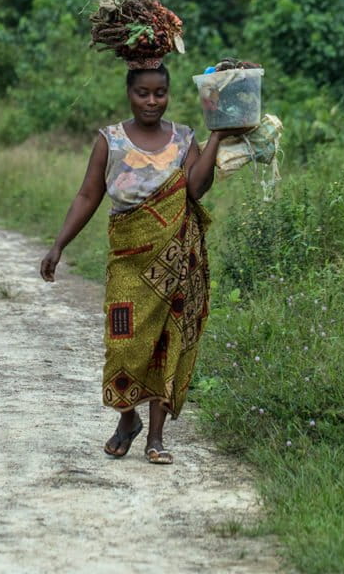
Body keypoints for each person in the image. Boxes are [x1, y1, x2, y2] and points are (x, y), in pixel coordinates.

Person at [39, 63, 232, 464]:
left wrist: (215, 134)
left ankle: (156, 438)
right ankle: (128, 419)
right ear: (129, 93)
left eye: (160, 93)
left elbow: (196, 188)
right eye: (143, 93)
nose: (152, 101)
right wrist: (59, 245)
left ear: (169, 94)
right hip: (128, 260)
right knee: (122, 344)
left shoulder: (184, 138)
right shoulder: (110, 140)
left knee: (166, 342)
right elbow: (87, 195)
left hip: (176, 260)